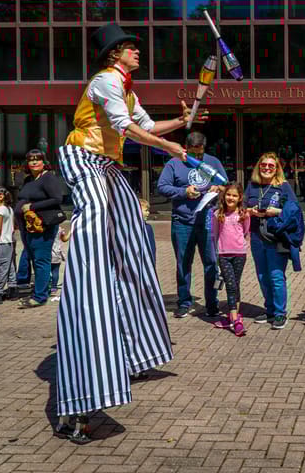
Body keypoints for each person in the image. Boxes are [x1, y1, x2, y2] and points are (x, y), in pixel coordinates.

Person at [54, 22, 191, 443]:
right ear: (115, 55)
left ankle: (137, 348)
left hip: (108, 167)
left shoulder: (128, 89)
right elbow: (128, 129)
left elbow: (146, 124)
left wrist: (181, 121)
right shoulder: (105, 82)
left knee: (133, 238)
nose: (137, 52)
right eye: (131, 48)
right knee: (95, 243)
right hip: (84, 159)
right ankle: (85, 384)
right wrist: (168, 147)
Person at [156, 131, 227, 319]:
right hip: (182, 221)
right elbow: (162, 187)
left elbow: (226, 184)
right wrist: (183, 191)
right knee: (183, 264)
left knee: (211, 263)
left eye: (200, 152)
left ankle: (212, 303)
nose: (197, 157)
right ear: (186, 147)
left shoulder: (213, 162)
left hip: (207, 220)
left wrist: (218, 188)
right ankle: (184, 302)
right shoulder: (174, 163)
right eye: (194, 153)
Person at [245, 152, 298, 330]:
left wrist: (274, 211)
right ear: (258, 167)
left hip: (275, 236)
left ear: (276, 169)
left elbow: (294, 210)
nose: (267, 168)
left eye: (271, 166)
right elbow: (242, 206)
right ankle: (269, 310)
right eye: (264, 165)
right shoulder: (252, 186)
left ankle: (280, 313)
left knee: (276, 276)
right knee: (262, 275)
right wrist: (250, 211)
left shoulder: (283, 186)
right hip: (256, 236)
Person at [15, 149, 66, 308]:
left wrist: (33, 206)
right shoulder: (29, 179)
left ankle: (40, 296)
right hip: (27, 227)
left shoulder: (48, 178)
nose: (34, 162)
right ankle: (38, 290)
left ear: (44, 162)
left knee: (41, 260)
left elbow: (57, 199)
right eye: (31, 160)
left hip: (42, 227)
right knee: (33, 259)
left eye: (38, 159)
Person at [211, 183, 251, 337]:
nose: (231, 198)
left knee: (235, 284)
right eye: (228, 195)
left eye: (234, 195)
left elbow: (246, 230)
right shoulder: (217, 214)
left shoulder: (243, 214)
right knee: (230, 285)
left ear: (240, 198)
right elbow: (214, 235)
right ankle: (236, 321)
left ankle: (233, 316)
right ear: (224, 196)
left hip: (240, 254)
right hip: (224, 254)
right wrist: (216, 253)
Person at [0, 187, 17, 304]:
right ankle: (13, 289)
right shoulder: (9, 209)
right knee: (10, 267)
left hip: (2, 242)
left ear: (0, 197)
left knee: (1, 268)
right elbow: (13, 227)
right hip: (10, 240)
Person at [49, 224, 71, 297]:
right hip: (57, 253)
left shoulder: (45, 229)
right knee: (55, 271)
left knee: (46, 271)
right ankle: (54, 288)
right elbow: (64, 239)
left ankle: (47, 286)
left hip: (47, 253)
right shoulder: (59, 229)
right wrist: (70, 232)